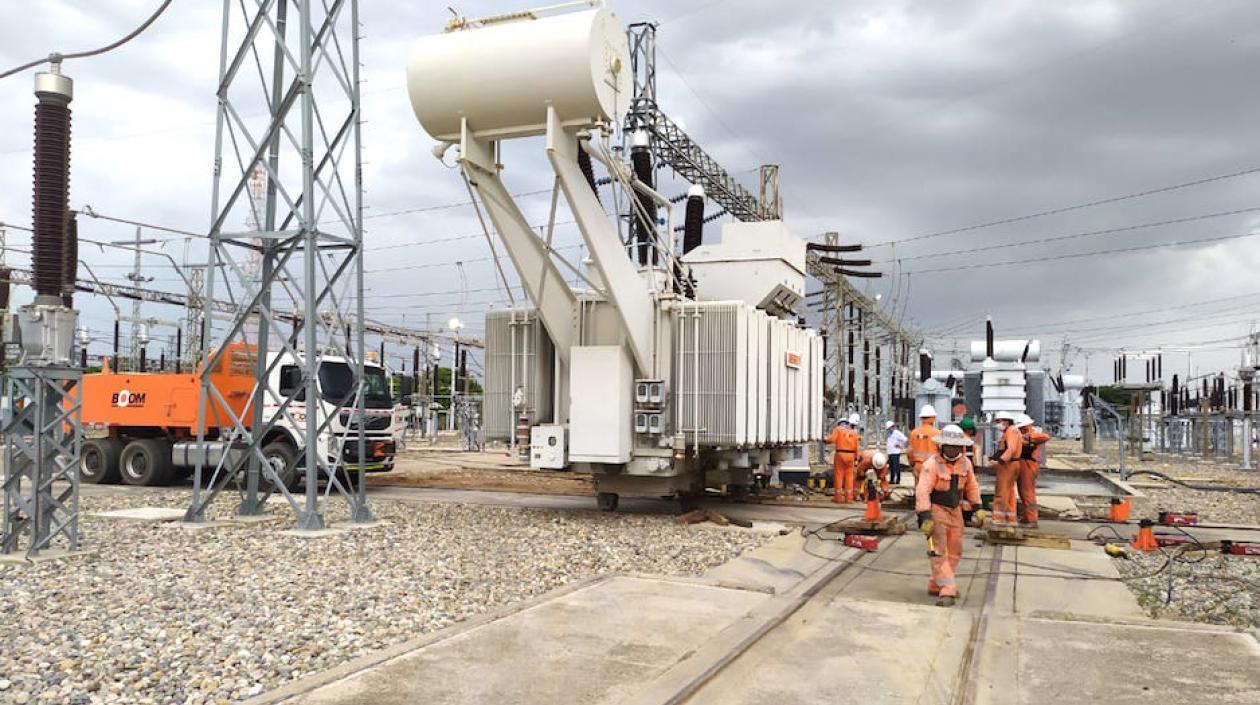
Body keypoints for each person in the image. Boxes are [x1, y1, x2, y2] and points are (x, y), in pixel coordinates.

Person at [915, 424, 980, 607]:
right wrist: (925, 516)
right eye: (949, 446)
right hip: (937, 510)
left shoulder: (965, 464)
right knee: (939, 551)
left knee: (955, 550)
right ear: (942, 445)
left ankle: (936, 583)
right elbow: (922, 491)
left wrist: (977, 507)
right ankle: (947, 588)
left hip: (955, 511)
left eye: (956, 446)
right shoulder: (931, 465)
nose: (953, 449)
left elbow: (971, 486)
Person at [989, 411, 1023, 526]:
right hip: (1011, 463)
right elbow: (1004, 448)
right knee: (1009, 491)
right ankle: (1010, 517)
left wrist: (1000, 461)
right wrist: (994, 457)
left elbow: (1011, 449)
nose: (997, 424)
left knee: (1002, 491)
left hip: (1008, 465)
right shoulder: (1010, 431)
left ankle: (998, 518)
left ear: (1006, 421)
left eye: (998, 421)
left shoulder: (1011, 431)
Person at [1016, 414, 1050, 527]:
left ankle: (1031, 519)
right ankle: (1027, 517)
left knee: (1027, 493)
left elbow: (1045, 437)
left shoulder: (1032, 434)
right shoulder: (1022, 435)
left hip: (1028, 465)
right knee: (1022, 492)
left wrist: (1027, 437)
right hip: (1023, 465)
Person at [826, 414, 861, 503]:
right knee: (849, 476)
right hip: (851, 456)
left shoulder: (838, 429)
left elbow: (831, 440)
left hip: (840, 455)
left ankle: (838, 498)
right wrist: (856, 458)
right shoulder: (855, 433)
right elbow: (857, 447)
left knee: (839, 475)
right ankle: (848, 498)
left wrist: (825, 440)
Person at [908, 404, 940, 484]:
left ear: (921, 418)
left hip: (918, 466)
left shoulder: (914, 433)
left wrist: (913, 464)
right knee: (931, 489)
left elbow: (909, 452)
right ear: (934, 418)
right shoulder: (937, 433)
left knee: (919, 488)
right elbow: (942, 452)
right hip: (932, 466)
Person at [885, 421, 908, 487]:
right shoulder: (888, 433)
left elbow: (905, 439)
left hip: (895, 452)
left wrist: (901, 445)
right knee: (891, 467)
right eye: (888, 429)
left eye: (890, 428)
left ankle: (898, 480)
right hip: (890, 452)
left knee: (896, 466)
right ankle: (892, 480)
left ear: (893, 427)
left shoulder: (897, 433)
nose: (889, 429)